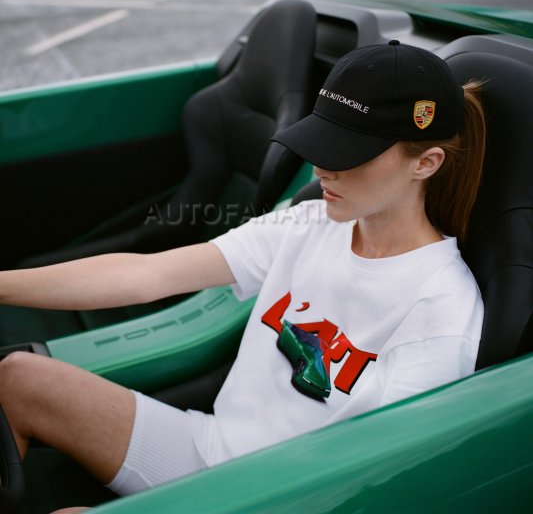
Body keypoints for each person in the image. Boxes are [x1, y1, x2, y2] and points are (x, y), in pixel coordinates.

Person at [0, 41, 486, 504]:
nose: (321, 169)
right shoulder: (309, 222)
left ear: (426, 163)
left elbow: (384, 475)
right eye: (322, 143)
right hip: (210, 447)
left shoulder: (441, 306)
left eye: (348, 152)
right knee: (17, 377)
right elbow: (147, 275)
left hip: (278, 498)